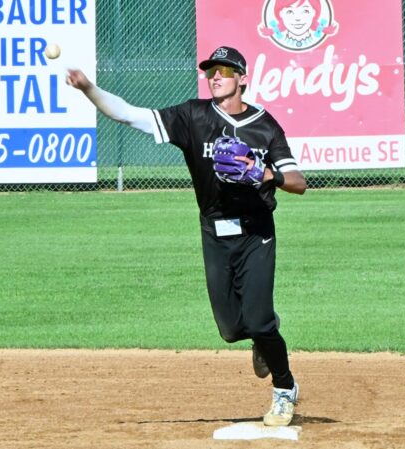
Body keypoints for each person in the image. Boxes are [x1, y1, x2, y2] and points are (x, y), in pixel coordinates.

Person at [66, 46, 307, 426]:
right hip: (214, 232)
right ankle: (264, 333)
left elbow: (298, 182)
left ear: (242, 78)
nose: (216, 76)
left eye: (225, 71)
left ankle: (284, 388)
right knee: (230, 329)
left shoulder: (265, 125)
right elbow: (130, 115)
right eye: (212, 70)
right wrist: (88, 89)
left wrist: (266, 175)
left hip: (256, 230)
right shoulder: (193, 116)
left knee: (257, 321)